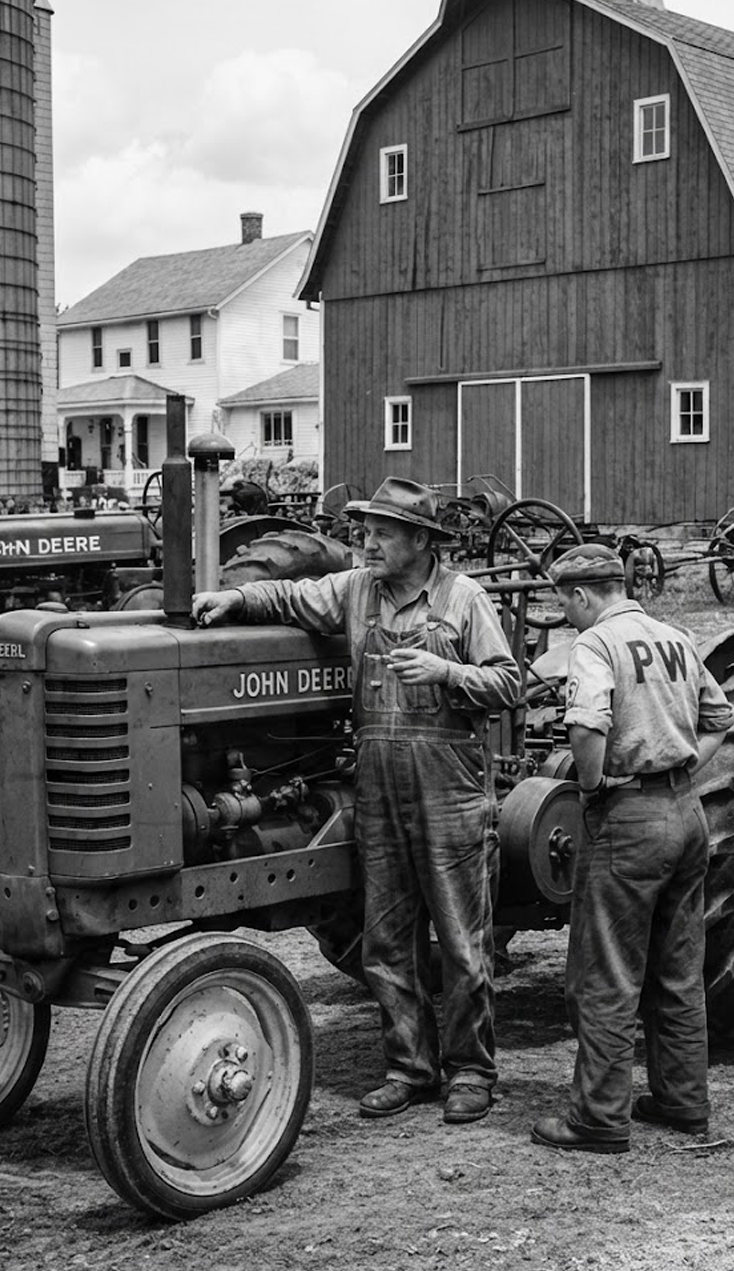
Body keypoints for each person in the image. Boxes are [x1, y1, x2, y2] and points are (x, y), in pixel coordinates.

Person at [193, 476, 520, 1124]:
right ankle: (410, 1068)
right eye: (366, 529)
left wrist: (448, 673)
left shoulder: (464, 598)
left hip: (450, 796)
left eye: (383, 531)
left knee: (462, 943)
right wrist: (234, 596)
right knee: (387, 944)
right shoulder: (356, 589)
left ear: (422, 541)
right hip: (382, 795)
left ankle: (472, 1073)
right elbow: (290, 592)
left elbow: (508, 681)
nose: (367, 541)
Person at [529, 544, 734, 1154]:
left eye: (564, 602)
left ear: (584, 595)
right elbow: (719, 715)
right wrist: (681, 769)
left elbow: (588, 726)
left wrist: (594, 784)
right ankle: (682, 1101)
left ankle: (598, 1118)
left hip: (629, 819)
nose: (564, 614)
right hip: (686, 812)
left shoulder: (596, 644)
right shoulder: (673, 637)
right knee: (677, 968)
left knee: (606, 975)